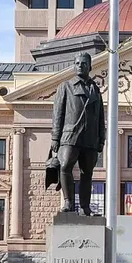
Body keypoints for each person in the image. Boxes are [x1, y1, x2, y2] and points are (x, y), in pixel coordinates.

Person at [49, 52, 106, 215]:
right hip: (70, 136)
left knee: (87, 173)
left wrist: (101, 138)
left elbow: (101, 116)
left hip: (90, 139)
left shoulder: (95, 89)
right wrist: (55, 137)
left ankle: (84, 207)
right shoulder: (65, 86)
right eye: (77, 63)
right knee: (65, 165)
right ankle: (68, 202)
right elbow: (57, 114)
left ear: (90, 66)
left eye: (83, 63)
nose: (80, 65)